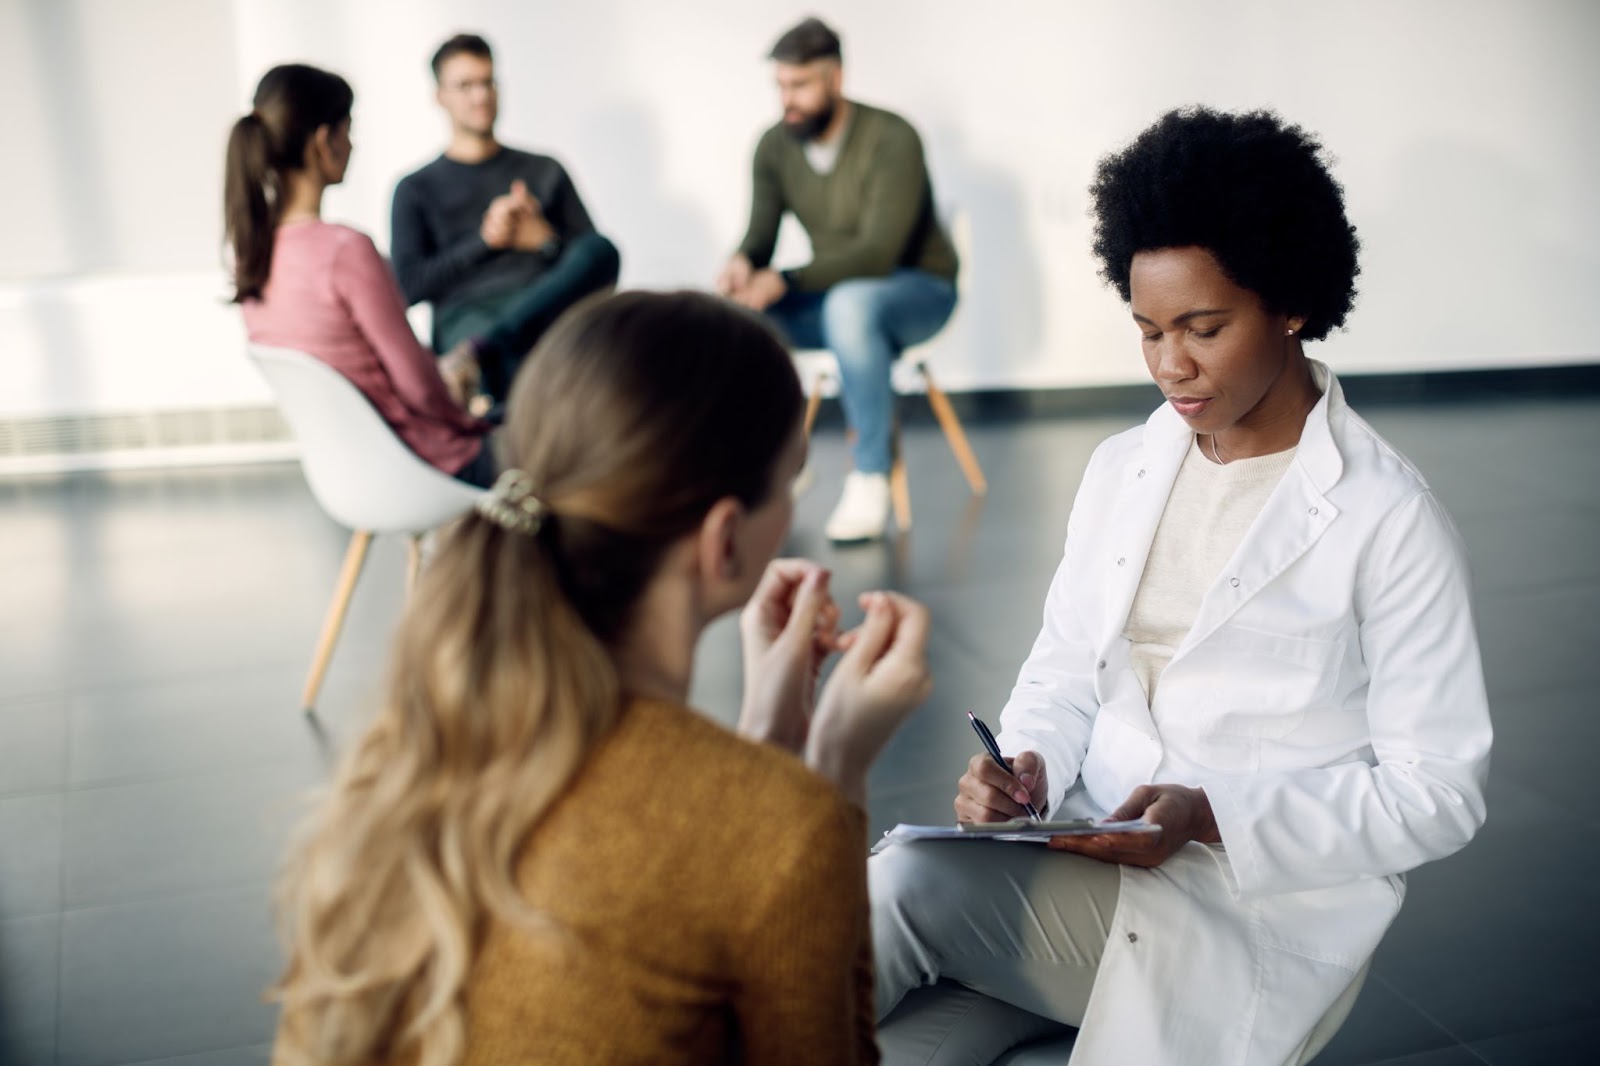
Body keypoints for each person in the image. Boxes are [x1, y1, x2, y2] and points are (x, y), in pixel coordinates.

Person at [868, 107, 1493, 1066]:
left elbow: (1440, 793)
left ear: (1289, 302)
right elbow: (1068, 668)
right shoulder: (1125, 467)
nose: (1171, 366)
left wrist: (1213, 815)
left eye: (1204, 328)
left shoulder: (1388, 517)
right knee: (905, 1050)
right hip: (1088, 867)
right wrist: (1027, 763)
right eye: (1149, 329)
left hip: (1250, 910)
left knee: (906, 884)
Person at [271, 290, 935, 1065]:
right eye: (793, 478)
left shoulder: (410, 758)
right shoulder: (784, 828)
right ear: (725, 539)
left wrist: (769, 739)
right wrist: (836, 774)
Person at [716, 17, 958, 543]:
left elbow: (878, 252)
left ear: (836, 78)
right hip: (837, 301)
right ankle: (779, 462)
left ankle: (869, 473)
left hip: (918, 291)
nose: (788, 101)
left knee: (850, 304)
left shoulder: (892, 136)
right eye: (781, 86)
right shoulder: (773, 147)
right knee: (734, 316)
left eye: (800, 85)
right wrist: (741, 262)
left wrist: (784, 279)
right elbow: (759, 237)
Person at [225, 64, 496, 487]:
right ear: (322, 143)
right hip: (429, 466)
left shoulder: (252, 256)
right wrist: (467, 419)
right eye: (347, 130)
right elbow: (420, 389)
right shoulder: (345, 251)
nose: (352, 144)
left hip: (349, 477)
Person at [392, 33, 621, 409]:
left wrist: (544, 242)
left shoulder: (544, 170)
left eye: (488, 82)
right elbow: (409, 287)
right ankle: (487, 358)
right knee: (524, 372)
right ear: (439, 97)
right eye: (465, 85)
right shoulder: (415, 189)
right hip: (469, 314)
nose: (480, 96)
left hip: (543, 305)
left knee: (602, 249)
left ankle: (485, 351)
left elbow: (598, 268)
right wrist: (486, 241)